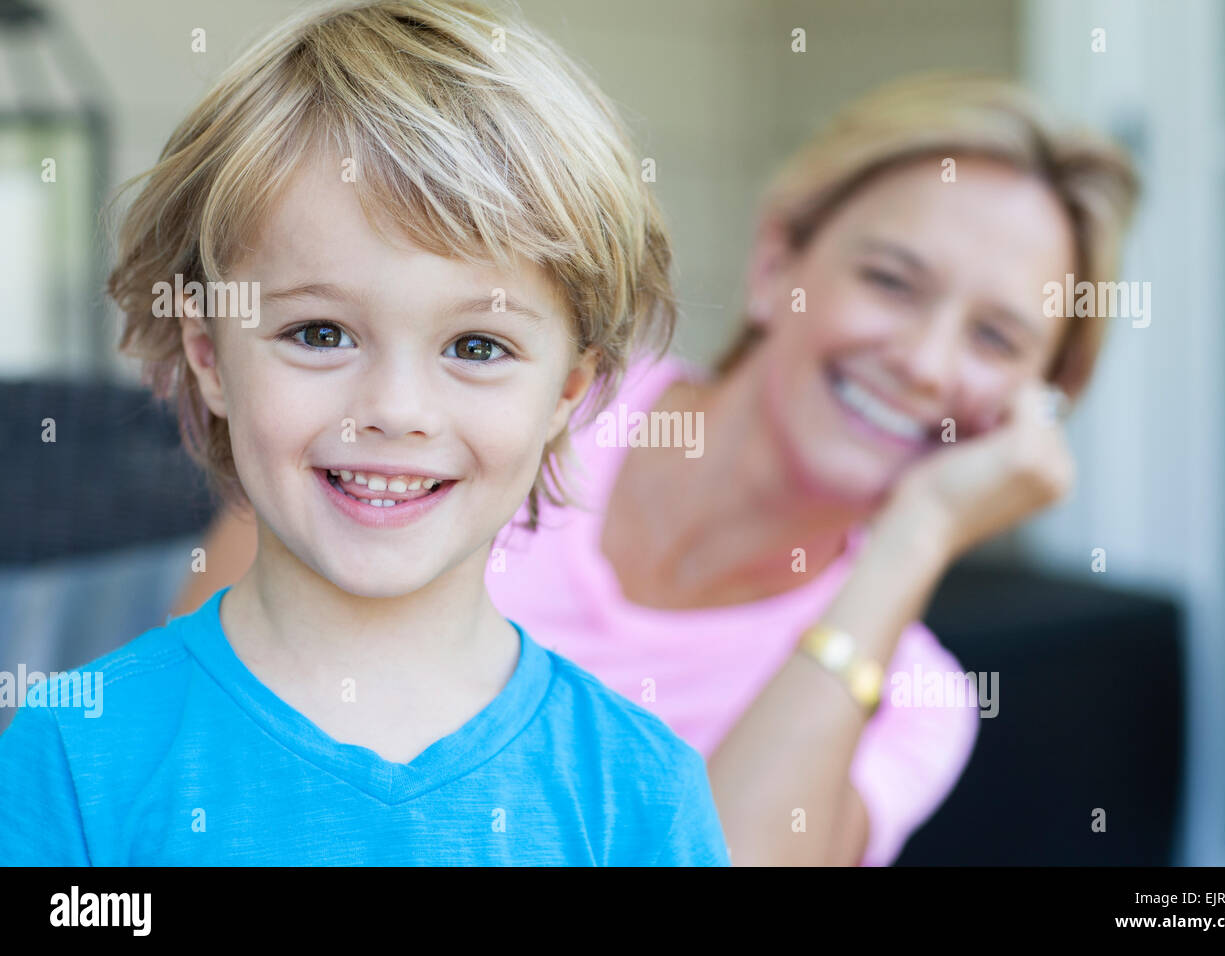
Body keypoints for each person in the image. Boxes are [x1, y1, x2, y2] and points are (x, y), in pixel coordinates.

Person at [173, 74, 1141, 865]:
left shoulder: (912, 695)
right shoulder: (511, 397)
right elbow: (195, 741)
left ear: (1036, 403)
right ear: (776, 264)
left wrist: (915, 538)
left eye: (995, 335)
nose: (927, 362)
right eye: (891, 280)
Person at [0, 0, 731, 866]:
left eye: (477, 346)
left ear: (568, 391)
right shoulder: (75, 755)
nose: (395, 407)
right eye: (320, 334)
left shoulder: (637, 792)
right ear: (209, 353)